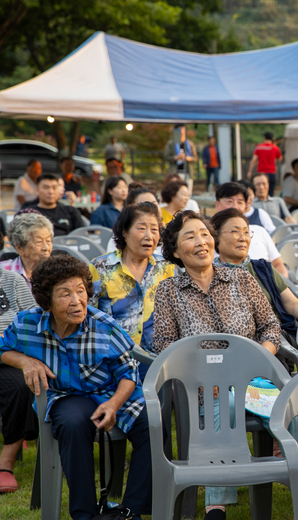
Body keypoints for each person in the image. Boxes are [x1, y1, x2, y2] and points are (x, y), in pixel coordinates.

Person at [0, 254, 152, 519]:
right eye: (65, 294)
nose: (76, 300)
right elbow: (2, 349)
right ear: (46, 300)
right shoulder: (27, 324)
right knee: (71, 422)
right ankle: (85, 514)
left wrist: (114, 404)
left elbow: (129, 373)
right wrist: (25, 361)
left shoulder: (104, 326)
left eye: (81, 291)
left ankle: (131, 511)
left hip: (113, 390)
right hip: (67, 395)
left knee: (153, 426)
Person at [154, 211, 281, 520]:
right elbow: (166, 347)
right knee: (221, 402)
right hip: (202, 388)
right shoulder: (168, 292)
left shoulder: (242, 278)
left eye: (205, 234)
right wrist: (201, 378)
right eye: (190, 236)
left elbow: (271, 328)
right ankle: (217, 507)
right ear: (174, 251)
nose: (202, 242)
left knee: (289, 413)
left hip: (254, 381)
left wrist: (258, 362)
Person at [89, 202, 174, 370]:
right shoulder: (100, 267)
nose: (149, 236)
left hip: (158, 362)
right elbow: (87, 316)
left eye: (154, 230)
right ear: (124, 232)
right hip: (113, 361)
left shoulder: (166, 267)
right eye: (141, 228)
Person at [210, 208, 298, 341]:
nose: (243, 238)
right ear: (216, 237)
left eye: (246, 232)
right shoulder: (208, 275)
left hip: (279, 339)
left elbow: (292, 304)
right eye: (235, 231)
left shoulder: (262, 268)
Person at [0, 267, 38, 493]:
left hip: (7, 357)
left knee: (22, 386)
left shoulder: (11, 280)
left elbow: (34, 319)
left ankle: (6, 463)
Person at [1, 212, 53, 286]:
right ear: (20, 248)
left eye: (48, 241)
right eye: (38, 242)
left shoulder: (58, 273)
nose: (46, 248)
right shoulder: (3, 272)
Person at [248, 132, 283, 197]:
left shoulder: (259, 147)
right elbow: (280, 159)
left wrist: (250, 171)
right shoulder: (275, 148)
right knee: (270, 194)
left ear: (264, 138)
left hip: (261, 173)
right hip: (271, 172)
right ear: (272, 139)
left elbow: (253, 160)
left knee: (258, 193)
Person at [164, 124, 196, 192]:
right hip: (176, 171)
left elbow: (195, 157)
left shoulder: (189, 143)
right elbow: (166, 156)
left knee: (187, 193)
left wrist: (189, 158)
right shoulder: (171, 143)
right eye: (179, 131)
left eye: (183, 130)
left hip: (188, 172)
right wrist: (176, 157)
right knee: (175, 192)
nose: (181, 132)